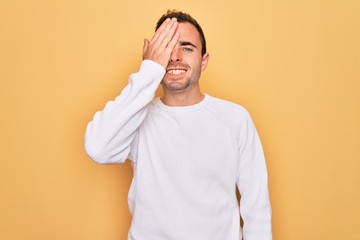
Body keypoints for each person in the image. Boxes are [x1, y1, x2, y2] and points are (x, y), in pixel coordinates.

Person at [84, 10, 272, 240]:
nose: (174, 56)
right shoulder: (136, 118)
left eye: (186, 47)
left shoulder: (235, 119)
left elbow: (257, 207)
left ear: (204, 61)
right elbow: (97, 148)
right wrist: (149, 71)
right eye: (166, 47)